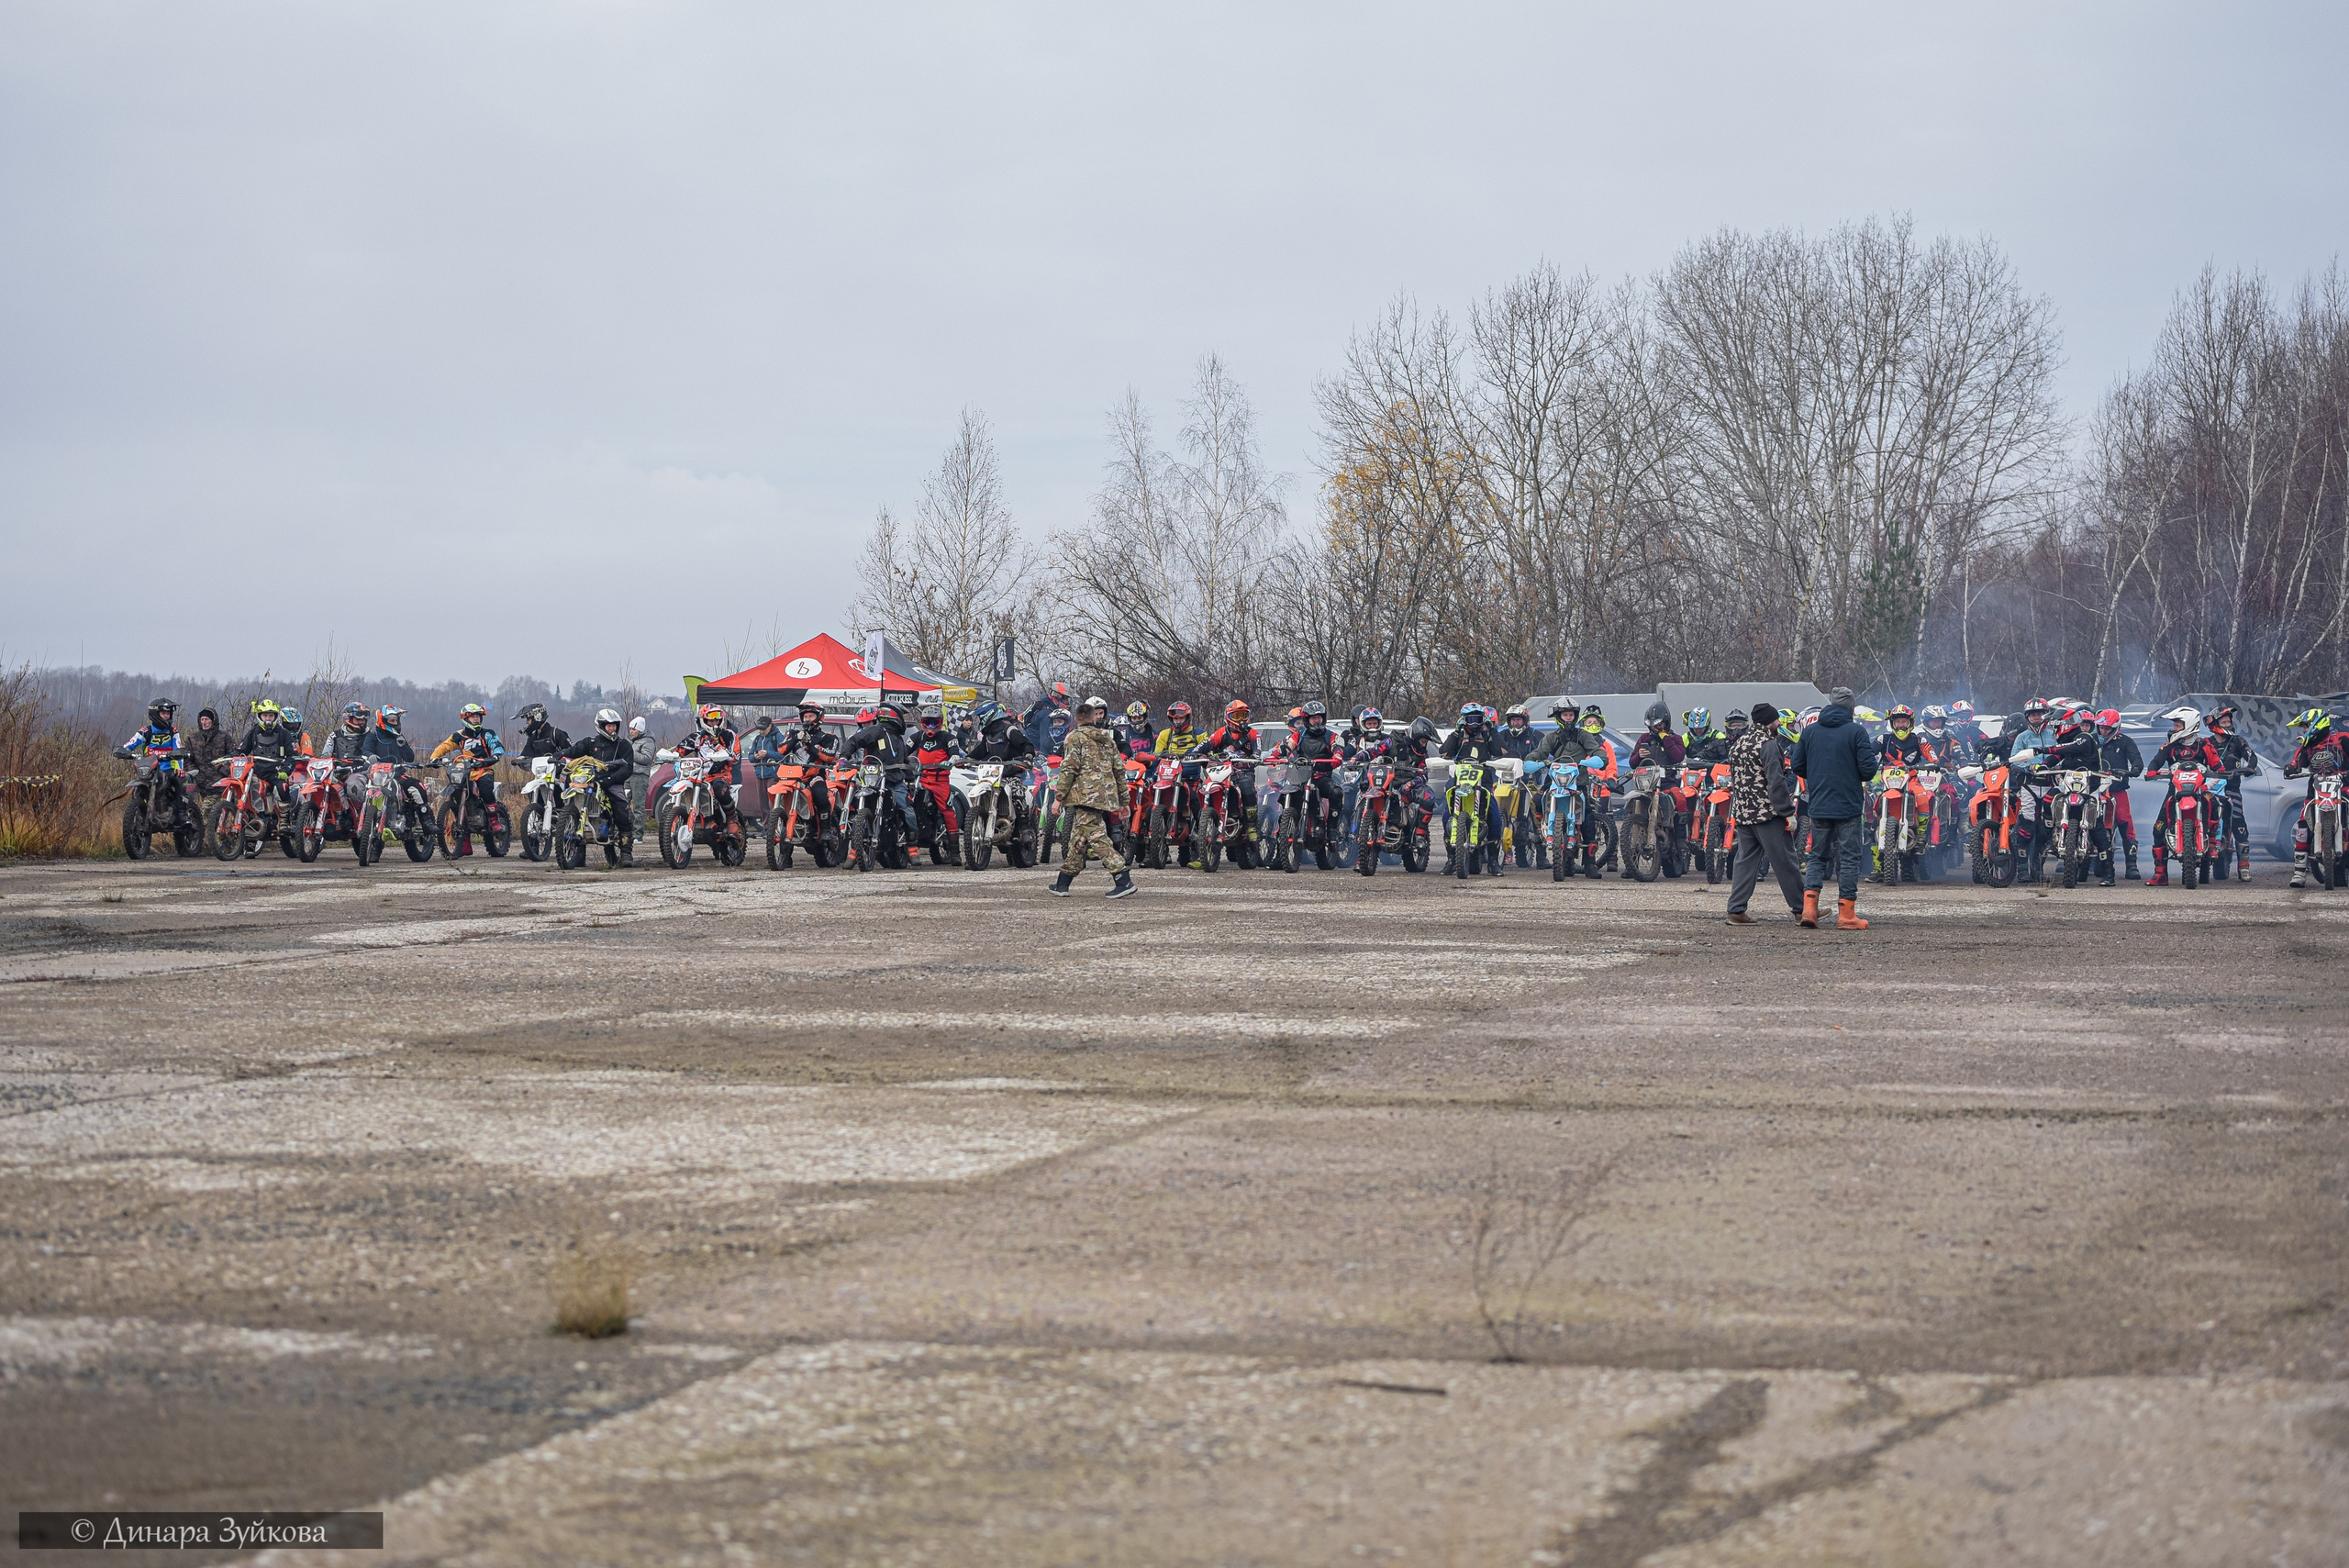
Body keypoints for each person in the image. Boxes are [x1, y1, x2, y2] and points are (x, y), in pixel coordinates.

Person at [1788, 686, 1878, 929]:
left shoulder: (1810, 732)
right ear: (1850, 708)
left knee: (1817, 856)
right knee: (1848, 858)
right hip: (1848, 805)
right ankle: (1847, 915)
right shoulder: (1857, 732)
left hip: (1818, 803)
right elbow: (1869, 770)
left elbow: (1797, 765)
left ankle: (1809, 911)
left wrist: (1818, 774)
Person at [1047, 696, 1135, 899]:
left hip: (1085, 796)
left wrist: (1058, 798)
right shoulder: (1108, 739)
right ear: (1094, 719)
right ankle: (1063, 882)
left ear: (1076, 720)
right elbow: (1120, 771)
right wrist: (1124, 802)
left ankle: (1122, 878)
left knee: (1097, 837)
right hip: (1105, 795)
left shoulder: (1074, 738)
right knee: (1078, 840)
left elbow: (1069, 768)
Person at [1725, 702, 1805, 923]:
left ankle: (1736, 910)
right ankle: (1802, 910)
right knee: (1786, 861)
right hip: (1768, 814)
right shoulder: (1768, 745)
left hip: (1743, 813)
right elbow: (1776, 781)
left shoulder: (1739, 744)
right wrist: (1787, 812)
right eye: (1777, 720)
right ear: (1770, 722)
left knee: (1745, 862)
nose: (1779, 724)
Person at [2142, 706, 2225, 887]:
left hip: (2200, 790)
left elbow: (2219, 769)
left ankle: (2211, 843)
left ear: (2189, 726)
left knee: (2215, 804)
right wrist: (2152, 771)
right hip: (2175, 792)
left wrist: (2207, 785)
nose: (2174, 729)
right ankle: (2160, 874)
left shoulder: (2204, 745)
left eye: (2178, 725)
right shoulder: (2171, 746)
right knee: (2158, 828)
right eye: (2175, 725)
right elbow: (2156, 761)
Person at [428, 702, 507, 855]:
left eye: (478, 717)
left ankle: (494, 821)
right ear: (465, 719)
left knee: (485, 788)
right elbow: (445, 746)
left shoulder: (487, 733)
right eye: (473, 717)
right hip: (465, 772)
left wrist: (496, 755)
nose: (476, 720)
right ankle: (464, 843)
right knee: (457, 795)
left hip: (483, 770)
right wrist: (434, 758)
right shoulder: (459, 735)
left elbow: (497, 745)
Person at [558, 709, 636, 861]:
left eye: (614, 725)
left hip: (612, 782)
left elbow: (628, 768)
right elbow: (573, 751)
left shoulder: (623, 745)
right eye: (608, 726)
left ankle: (626, 852)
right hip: (590, 781)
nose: (612, 728)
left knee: (622, 812)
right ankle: (577, 854)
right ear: (601, 726)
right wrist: (558, 756)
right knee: (573, 801)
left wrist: (610, 779)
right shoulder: (591, 742)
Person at [2282, 707, 2347, 887]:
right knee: (2302, 824)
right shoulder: (2306, 746)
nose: (2303, 731)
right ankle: (2299, 873)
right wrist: (2290, 768)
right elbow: (2296, 762)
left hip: (2344, 785)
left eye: (2305, 727)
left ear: (2316, 724)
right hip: (2316, 790)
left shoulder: (2342, 738)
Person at [114, 697, 196, 829]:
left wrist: (180, 767)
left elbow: (178, 748)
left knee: (180, 781)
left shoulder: (173, 731)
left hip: (169, 768)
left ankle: (182, 816)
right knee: (138, 790)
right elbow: (131, 743)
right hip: (150, 769)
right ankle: (139, 816)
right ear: (155, 714)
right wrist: (123, 751)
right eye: (164, 713)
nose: (167, 716)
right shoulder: (146, 731)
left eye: (168, 713)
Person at [235, 699, 306, 829]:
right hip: (256, 771)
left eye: (271, 715)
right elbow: (241, 751)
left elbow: (292, 756)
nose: (268, 718)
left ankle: (284, 821)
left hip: (276, 771)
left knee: (282, 786)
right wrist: (228, 758)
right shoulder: (253, 733)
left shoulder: (284, 734)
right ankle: (252, 817)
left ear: (276, 717)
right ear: (260, 716)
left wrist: (286, 770)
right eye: (265, 715)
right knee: (245, 787)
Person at [2091, 708, 2144, 881]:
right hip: (2094, 789)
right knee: (2089, 819)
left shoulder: (2126, 742)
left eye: (2107, 728)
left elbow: (2136, 759)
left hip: (2117, 789)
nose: (2103, 731)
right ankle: (2084, 860)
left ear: (2115, 728)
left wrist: (2135, 769)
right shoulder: (2092, 741)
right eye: (2101, 728)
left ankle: (2131, 865)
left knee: (2125, 821)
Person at [2207, 705, 2261, 867]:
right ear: (2215, 725)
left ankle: (2244, 866)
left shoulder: (2237, 741)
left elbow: (2251, 756)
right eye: (2224, 722)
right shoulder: (2206, 743)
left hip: (2231, 789)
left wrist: (2250, 767)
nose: (2228, 724)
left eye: (2228, 721)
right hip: (2210, 789)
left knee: (2238, 822)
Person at [1021, 683, 1073, 757]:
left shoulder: (1048, 709)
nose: (1067, 702)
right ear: (1058, 697)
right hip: (1034, 751)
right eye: (1066, 699)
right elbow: (1045, 742)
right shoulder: (1046, 714)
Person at [628, 716, 662, 827]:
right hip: (627, 775)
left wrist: (630, 753)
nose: (631, 731)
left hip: (639, 776)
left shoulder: (648, 742)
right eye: (630, 729)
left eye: (634, 729)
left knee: (638, 806)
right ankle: (628, 828)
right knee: (622, 803)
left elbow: (646, 759)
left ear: (640, 730)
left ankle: (638, 834)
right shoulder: (631, 741)